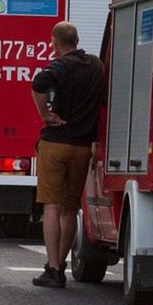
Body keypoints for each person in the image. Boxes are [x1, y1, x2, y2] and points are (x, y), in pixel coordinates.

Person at [30, 21, 104, 288]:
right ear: (77, 39)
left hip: (56, 143)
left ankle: (52, 268)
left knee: (52, 205)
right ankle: (60, 265)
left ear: (55, 42)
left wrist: (45, 114)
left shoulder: (60, 66)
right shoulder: (95, 65)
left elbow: (38, 83)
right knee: (71, 209)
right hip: (83, 147)